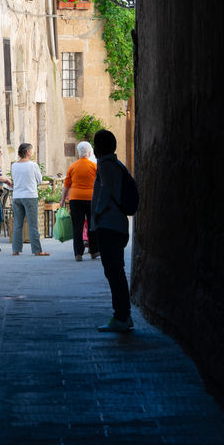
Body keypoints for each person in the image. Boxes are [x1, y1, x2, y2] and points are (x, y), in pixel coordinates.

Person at [91, 128, 134, 330]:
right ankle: (123, 316)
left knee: (114, 272)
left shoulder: (106, 165)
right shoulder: (117, 165)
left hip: (109, 225)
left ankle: (122, 317)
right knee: (115, 271)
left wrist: (97, 213)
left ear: (98, 147)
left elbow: (106, 190)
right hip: (118, 225)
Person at [60, 140, 98, 261]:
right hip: (91, 199)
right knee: (92, 225)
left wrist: (62, 200)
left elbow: (66, 185)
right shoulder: (94, 166)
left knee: (77, 226)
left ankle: (78, 253)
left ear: (78, 153)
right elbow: (100, 183)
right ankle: (93, 251)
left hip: (75, 199)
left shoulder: (72, 166)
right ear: (90, 152)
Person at [10, 142, 49, 256]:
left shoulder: (14, 165)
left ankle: (16, 249)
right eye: (31, 150)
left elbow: (14, 180)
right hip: (30, 195)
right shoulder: (33, 165)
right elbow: (39, 180)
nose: (32, 153)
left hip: (17, 196)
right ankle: (37, 250)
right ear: (27, 152)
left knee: (18, 224)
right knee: (33, 224)